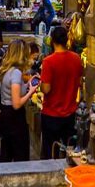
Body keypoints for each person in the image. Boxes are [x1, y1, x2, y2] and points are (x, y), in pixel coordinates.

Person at [39, 26, 84, 159]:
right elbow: (80, 81)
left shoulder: (48, 61)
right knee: (69, 151)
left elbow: (46, 88)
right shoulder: (76, 58)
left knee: (49, 152)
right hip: (70, 112)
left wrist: (40, 84)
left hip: (51, 113)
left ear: (52, 41)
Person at [0, 40, 38, 162]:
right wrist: (31, 91)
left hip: (5, 112)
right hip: (14, 117)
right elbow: (16, 103)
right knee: (20, 152)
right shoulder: (16, 73)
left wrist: (28, 83)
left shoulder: (5, 70)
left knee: (6, 151)